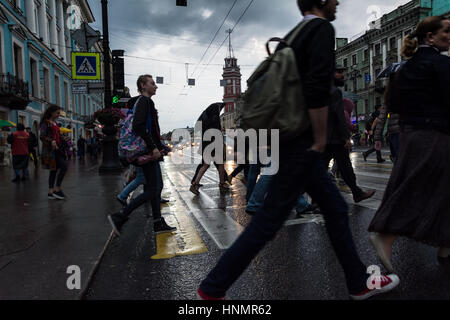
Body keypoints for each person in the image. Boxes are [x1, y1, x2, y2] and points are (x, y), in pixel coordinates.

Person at [198, 0, 399, 301]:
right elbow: (317, 87)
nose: (337, 2)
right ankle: (212, 288)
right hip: (303, 142)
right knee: (270, 220)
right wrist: (319, 139)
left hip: (290, 139)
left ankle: (358, 282)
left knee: (334, 210)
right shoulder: (319, 29)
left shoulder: (291, 37)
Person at [368, 16, 450, 272]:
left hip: (410, 135)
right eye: (447, 31)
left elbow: (393, 105)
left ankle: (446, 245)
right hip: (436, 135)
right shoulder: (441, 64)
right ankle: (386, 235)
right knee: (421, 188)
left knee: (433, 187)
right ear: (431, 37)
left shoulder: (403, 69)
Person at [108, 75, 176, 236]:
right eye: (152, 83)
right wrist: (153, 148)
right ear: (143, 86)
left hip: (148, 150)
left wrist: (161, 147)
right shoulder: (145, 102)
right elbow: (139, 126)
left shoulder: (143, 102)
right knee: (153, 189)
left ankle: (158, 222)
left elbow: (151, 129)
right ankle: (120, 216)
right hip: (146, 151)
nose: (156, 86)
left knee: (156, 187)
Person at [323, 65, 376, 203]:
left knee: (323, 168)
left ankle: (316, 200)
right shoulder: (335, 92)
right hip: (336, 138)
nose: (343, 76)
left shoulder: (323, 91)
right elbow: (339, 116)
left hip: (326, 137)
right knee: (345, 167)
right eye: (339, 72)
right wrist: (346, 137)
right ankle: (356, 193)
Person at [190, 103, 230, 195]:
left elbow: (198, 128)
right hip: (215, 143)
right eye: (220, 109)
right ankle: (222, 184)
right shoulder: (215, 118)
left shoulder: (204, 118)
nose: (220, 111)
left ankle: (194, 184)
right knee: (220, 165)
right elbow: (218, 131)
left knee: (205, 165)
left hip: (206, 143)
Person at [40, 105, 67, 200]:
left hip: (58, 149)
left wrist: (63, 138)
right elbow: (42, 136)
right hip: (51, 150)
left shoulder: (55, 123)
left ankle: (50, 192)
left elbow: (57, 135)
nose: (59, 115)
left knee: (54, 170)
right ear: (52, 113)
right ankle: (57, 189)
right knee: (63, 167)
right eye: (57, 113)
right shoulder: (45, 123)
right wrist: (51, 141)